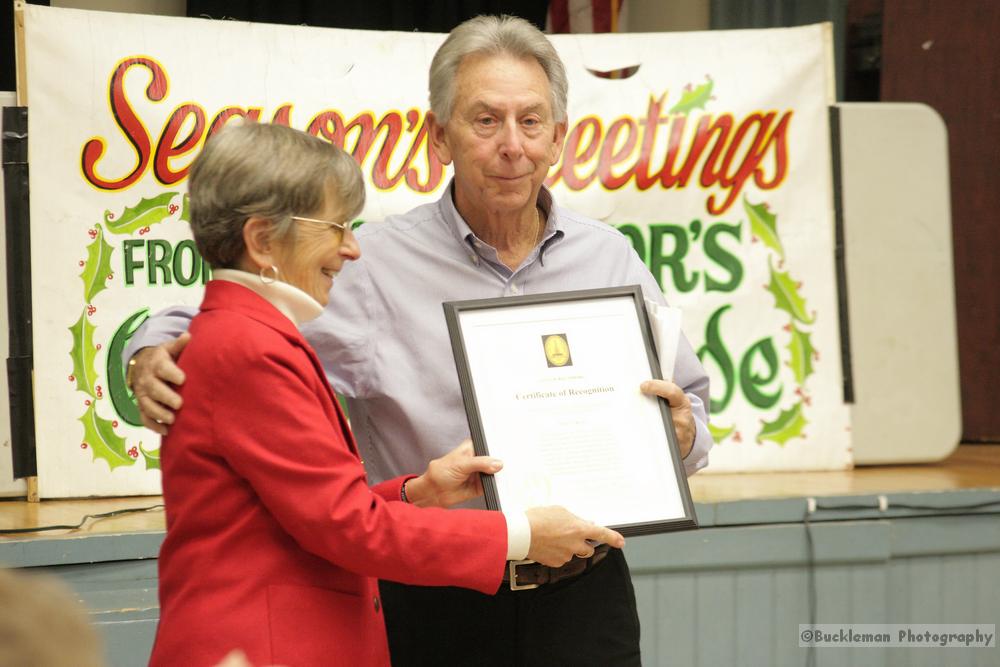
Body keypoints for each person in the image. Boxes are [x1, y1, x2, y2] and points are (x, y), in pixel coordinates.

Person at [128, 15, 713, 667]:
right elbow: (238, 306)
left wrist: (683, 437)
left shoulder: (611, 256)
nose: (512, 144)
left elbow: (689, 408)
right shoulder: (367, 262)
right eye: (485, 120)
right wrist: (154, 344)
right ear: (440, 137)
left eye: (531, 121)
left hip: (584, 593)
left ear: (559, 139)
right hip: (432, 600)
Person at [144, 121, 624, 667]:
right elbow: (348, 528)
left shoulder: (249, 335)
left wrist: (420, 492)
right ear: (261, 240)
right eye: (335, 227)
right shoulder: (249, 347)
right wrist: (519, 534)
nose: (351, 248)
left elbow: (318, 507)